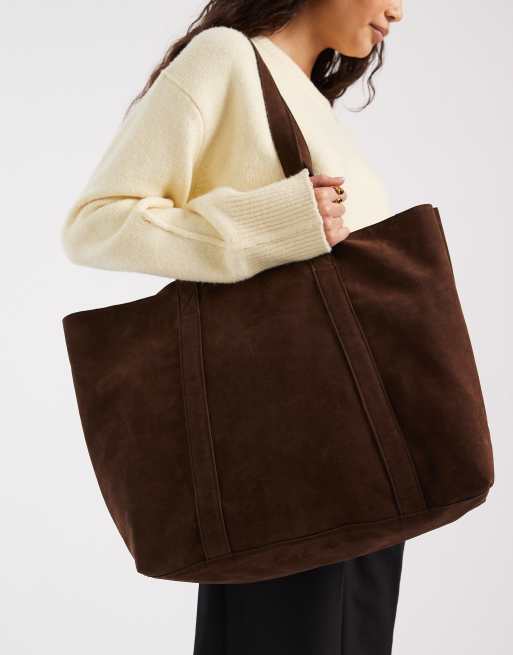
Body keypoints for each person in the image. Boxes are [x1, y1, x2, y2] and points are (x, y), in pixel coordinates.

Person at [61, 1, 405, 653]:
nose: (398, 10)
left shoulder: (304, 97)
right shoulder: (224, 58)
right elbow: (96, 223)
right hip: (285, 450)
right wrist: (274, 222)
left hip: (352, 449)